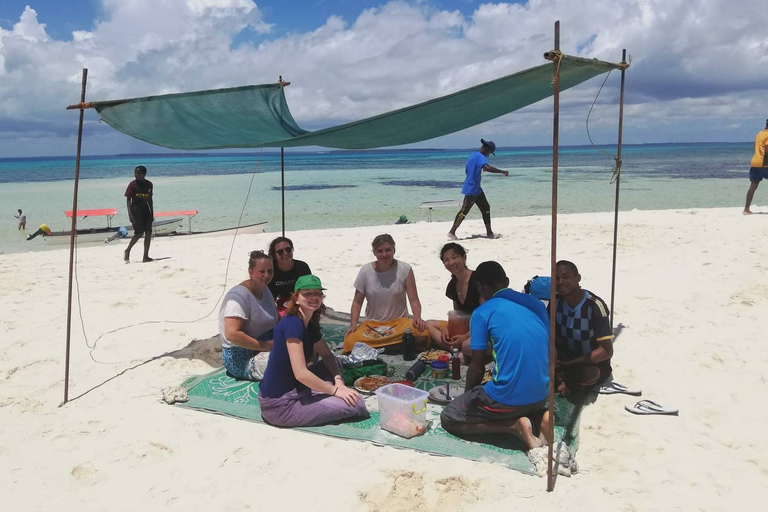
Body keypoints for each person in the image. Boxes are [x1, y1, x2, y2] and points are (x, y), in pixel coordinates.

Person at [440, 261, 551, 451]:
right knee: (515, 392)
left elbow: (477, 366)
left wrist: (469, 397)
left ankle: (512, 427)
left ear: (479, 287)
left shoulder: (483, 312)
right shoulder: (536, 304)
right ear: (506, 281)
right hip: (542, 394)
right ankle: (541, 416)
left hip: (507, 399)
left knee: (449, 417)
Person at [258, 275, 369, 427]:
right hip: (280, 406)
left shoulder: (308, 324)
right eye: (307, 293)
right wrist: (336, 391)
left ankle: (320, 393)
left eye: (317, 293)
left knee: (335, 363)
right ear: (296, 299)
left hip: (296, 387)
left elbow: (327, 355)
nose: (313, 297)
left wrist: (339, 382)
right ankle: (320, 396)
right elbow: (301, 373)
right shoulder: (293, 325)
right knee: (356, 404)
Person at [343, 234, 429, 353]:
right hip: (373, 325)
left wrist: (418, 317)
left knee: (422, 334)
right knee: (350, 342)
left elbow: (413, 300)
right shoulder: (365, 271)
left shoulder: (405, 269)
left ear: (394, 250)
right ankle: (394, 346)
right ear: (374, 252)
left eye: (388, 250)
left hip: (400, 322)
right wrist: (353, 325)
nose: (384, 254)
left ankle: (381, 347)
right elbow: (357, 303)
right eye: (380, 251)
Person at [552, 260, 614, 395]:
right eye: (556, 278)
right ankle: (563, 381)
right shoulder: (555, 302)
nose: (561, 282)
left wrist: (568, 364)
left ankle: (566, 383)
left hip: (590, 361)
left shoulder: (595, 306)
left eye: (566, 277)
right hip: (566, 357)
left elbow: (606, 351)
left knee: (589, 373)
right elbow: (548, 335)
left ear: (578, 278)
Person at [218, 250, 279, 381]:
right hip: (241, 355)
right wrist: (264, 346)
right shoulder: (239, 296)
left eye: (270, 271)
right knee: (284, 364)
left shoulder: (265, 289)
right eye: (262, 271)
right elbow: (231, 334)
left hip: (266, 342)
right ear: (250, 271)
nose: (266, 275)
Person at [425, 242, 481, 355]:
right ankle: (453, 349)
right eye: (446, 260)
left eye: (454, 257)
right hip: (464, 326)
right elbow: (457, 315)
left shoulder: (477, 280)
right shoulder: (453, 284)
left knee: (467, 345)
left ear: (464, 257)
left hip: (480, 328)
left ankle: (459, 349)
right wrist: (448, 329)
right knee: (429, 324)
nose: (451, 263)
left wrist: (465, 336)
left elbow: (486, 317)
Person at [448, 139, 509, 240]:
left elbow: (470, 169)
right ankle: (452, 232)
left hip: (475, 187)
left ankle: (490, 233)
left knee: (486, 208)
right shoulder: (480, 157)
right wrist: (502, 171)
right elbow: (487, 168)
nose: (489, 155)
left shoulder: (473, 154)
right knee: (464, 211)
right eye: (490, 152)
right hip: (472, 187)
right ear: (487, 149)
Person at [267, 236, 312, 316]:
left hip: (301, 304)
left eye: (288, 250)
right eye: (280, 252)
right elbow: (268, 297)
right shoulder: (271, 270)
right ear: (274, 255)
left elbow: (309, 290)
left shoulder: (302, 267)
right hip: (279, 306)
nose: (285, 253)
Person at [124, 165, 154, 262]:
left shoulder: (149, 184)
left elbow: (150, 200)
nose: (136, 175)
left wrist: (152, 213)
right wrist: (130, 214)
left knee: (148, 233)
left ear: (143, 174)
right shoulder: (132, 184)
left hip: (146, 211)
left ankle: (145, 256)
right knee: (139, 233)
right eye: (135, 173)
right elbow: (128, 200)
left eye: (138, 173)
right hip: (136, 211)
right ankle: (128, 250)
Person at [744, 119, 768, 215]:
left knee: (753, 186)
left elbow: (756, 147)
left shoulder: (759, 134)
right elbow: (767, 152)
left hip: (755, 163)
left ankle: (746, 209)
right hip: (765, 164)